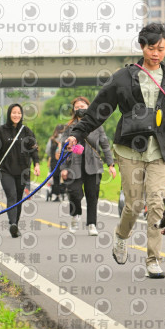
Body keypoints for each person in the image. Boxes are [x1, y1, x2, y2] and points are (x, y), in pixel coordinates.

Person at [65, 23, 165, 278]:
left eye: (161, 49)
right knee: (135, 203)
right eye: (151, 48)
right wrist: (77, 134)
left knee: (157, 204)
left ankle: (153, 260)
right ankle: (121, 235)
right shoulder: (123, 77)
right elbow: (98, 111)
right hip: (129, 149)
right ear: (142, 46)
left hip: (159, 150)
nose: (156, 54)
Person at [60, 97, 116, 236]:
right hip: (74, 166)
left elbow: (105, 145)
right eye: (77, 107)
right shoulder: (69, 127)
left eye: (83, 106)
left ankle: (92, 224)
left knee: (92, 195)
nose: (80, 109)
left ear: (89, 107)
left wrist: (110, 164)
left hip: (94, 165)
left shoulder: (97, 125)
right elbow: (63, 148)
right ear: (74, 110)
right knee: (74, 193)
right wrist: (63, 168)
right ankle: (75, 215)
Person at [0, 103, 41, 238]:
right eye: (14, 112)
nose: (16, 115)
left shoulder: (26, 131)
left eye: (19, 113)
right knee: (11, 195)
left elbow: (34, 149)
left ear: (22, 115)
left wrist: (36, 164)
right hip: (6, 170)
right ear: (9, 114)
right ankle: (12, 222)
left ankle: (15, 225)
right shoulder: (0, 131)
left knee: (18, 198)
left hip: (23, 171)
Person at [45, 124, 67, 202]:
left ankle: (56, 194)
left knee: (56, 178)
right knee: (64, 177)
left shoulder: (52, 139)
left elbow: (47, 151)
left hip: (54, 162)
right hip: (64, 161)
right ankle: (63, 191)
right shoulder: (65, 139)